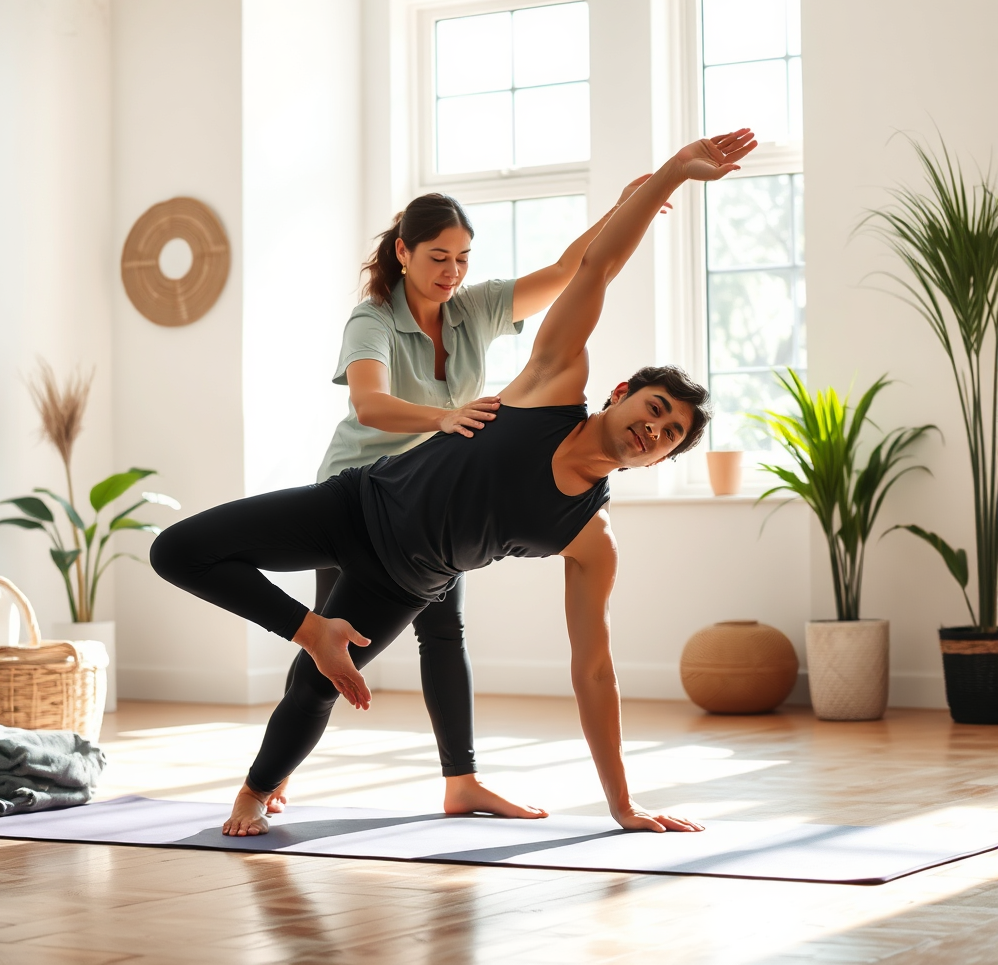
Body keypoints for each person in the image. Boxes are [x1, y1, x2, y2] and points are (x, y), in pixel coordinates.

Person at [150, 127, 757, 837]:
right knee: (178, 551)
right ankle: (313, 632)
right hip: (355, 501)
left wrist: (623, 806)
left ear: (659, 463)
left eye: (670, 436)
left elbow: (595, 671)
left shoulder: (593, 538)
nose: (654, 431)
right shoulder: (551, 384)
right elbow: (594, 269)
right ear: (620, 392)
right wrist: (671, 175)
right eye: (654, 410)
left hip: (407, 581)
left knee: (326, 683)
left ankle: (261, 789)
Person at [276, 184, 653, 823]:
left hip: (432, 502)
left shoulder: (471, 310)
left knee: (444, 632)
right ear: (403, 253)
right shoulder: (373, 320)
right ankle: (276, 772)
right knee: (329, 642)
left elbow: (569, 273)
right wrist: (446, 416)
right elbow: (369, 404)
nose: (452, 273)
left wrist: (627, 207)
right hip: (357, 493)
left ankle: (463, 781)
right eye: (438, 258)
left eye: (463, 259)